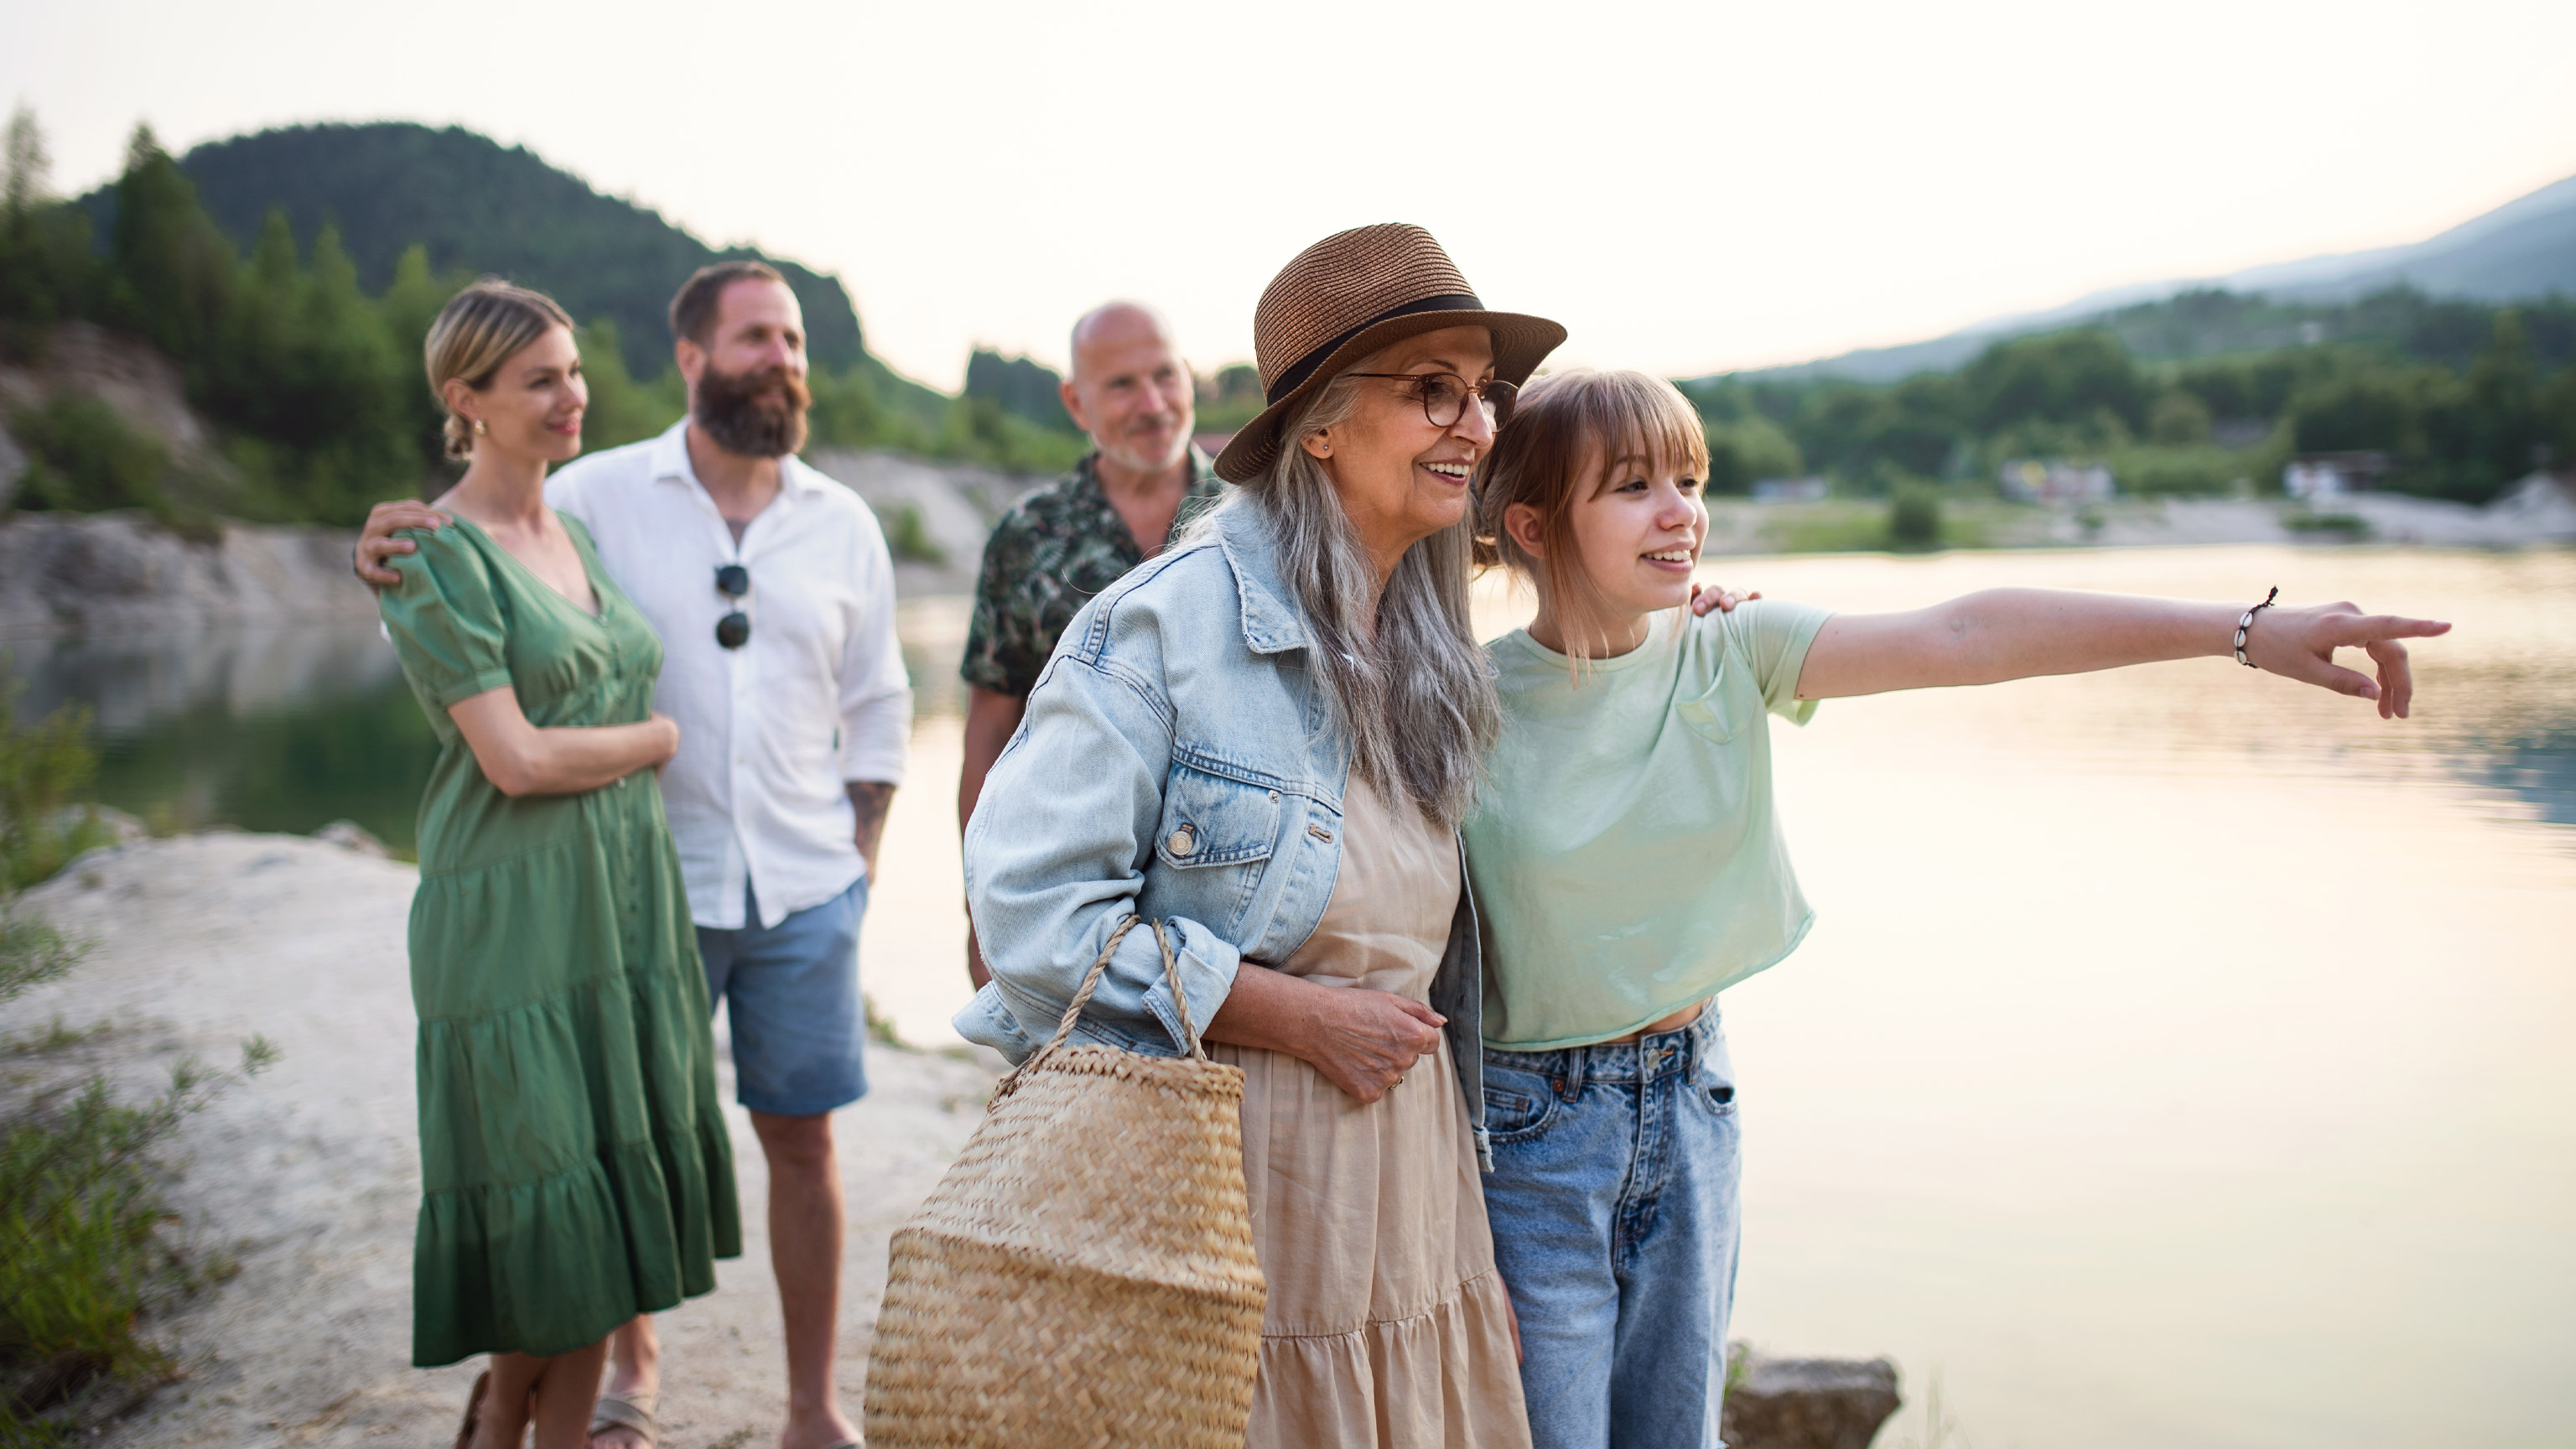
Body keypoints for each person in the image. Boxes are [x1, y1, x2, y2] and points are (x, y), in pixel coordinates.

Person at [1461, 368, 2452, 1449]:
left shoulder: (1730, 649)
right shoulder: (1462, 705)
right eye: (1635, 485)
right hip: (1530, 1141)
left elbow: (1966, 636)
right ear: (1533, 525)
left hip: (1692, 1105)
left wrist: (2247, 631)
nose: (1681, 511)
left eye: (1691, 479)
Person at [959, 224, 1552, 1446]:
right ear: (1320, 426)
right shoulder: (1167, 625)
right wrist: (1295, 1016)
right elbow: (1030, 919)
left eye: (1484, 392)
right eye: (1431, 390)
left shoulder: (1426, 631)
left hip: (1409, 1166)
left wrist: (1704, 620)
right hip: (1227, 1169)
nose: (1477, 426)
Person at [357, 262, 909, 1449]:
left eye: (796, 339)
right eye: (757, 338)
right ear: (696, 358)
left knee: (795, 1143)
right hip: (637, 887)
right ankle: (622, 1381)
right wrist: (384, 539)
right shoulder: (600, 491)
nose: (784, 360)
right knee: (613, 1142)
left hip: (808, 886)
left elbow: (880, 707)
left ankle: (811, 1408)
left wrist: (861, 866)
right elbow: (478, 546)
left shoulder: (846, 522)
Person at [378, 281, 740, 1449]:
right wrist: (655, 740)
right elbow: (517, 758)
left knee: (606, 1232)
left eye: (575, 372)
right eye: (539, 379)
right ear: (464, 400)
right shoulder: (437, 552)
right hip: (512, 917)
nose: (571, 396)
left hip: (618, 906)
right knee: (555, 1232)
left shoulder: (573, 531)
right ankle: (493, 1431)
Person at [955, 300, 1224, 987]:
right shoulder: (1027, 536)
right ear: (1077, 403)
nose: (1153, 403)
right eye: (1122, 385)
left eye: (1166, 376)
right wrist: (978, 910)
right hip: (1064, 888)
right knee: (1071, 1093)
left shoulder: (1252, 519)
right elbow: (991, 728)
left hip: (1225, 890)